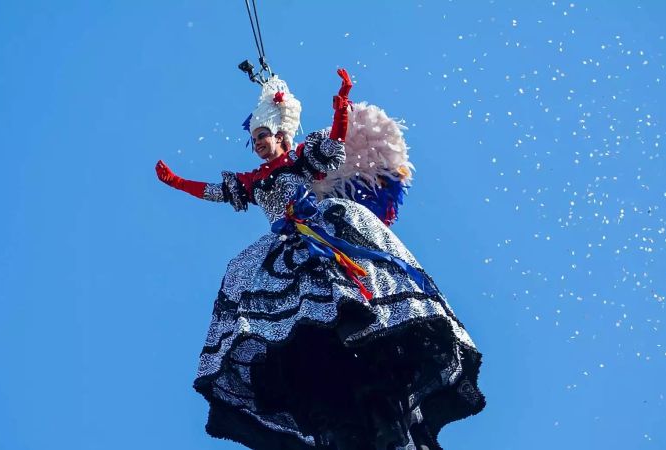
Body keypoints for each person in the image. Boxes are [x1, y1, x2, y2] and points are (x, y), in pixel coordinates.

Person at [155, 69, 485, 450]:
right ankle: (317, 351)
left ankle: (357, 314)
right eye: (254, 140)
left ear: (280, 135)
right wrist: (178, 182)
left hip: (320, 230)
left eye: (263, 136)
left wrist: (342, 100)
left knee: (338, 262)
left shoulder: (300, 160)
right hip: (287, 245)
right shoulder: (253, 180)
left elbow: (336, 138)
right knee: (247, 272)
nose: (258, 144)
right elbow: (216, 191)